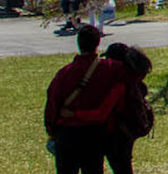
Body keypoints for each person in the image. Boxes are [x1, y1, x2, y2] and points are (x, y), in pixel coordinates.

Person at [44, 26, 128, 174]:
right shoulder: (110, 69)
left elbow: (52, 103)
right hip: (95, 134)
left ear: (78, 43)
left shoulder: (65, 73)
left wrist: (52, 130)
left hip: (68, 134)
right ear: (98, 43)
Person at [70, 43, 153, 174]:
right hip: (127, 132)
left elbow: (102, 112)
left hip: (114, 133)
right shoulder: (134, 81)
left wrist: (75, 114)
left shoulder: (118, 83)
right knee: (124, 166)